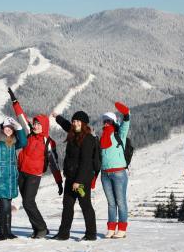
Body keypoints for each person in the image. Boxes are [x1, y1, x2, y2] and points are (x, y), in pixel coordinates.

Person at [8, 88, 64, 239]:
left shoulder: (48, 142)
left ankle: (42, 229)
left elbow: (54, 164)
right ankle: (38, 229)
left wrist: (59, 182)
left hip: (34, 175)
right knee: (27, 203)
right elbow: (21, 116)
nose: (35, 126)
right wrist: (15, 101)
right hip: (22, 172)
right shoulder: (28, 133)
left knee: (28, 201)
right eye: (35, 123)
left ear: (44, 126)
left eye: (39, 124)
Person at [50, 110, 98, 241]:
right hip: (71, 177)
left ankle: (91, 234)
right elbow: (67, 125)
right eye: (74, 121)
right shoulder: (73, 134)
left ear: (83, 123)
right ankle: (63, 233)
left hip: (81, 179)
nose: (75, 123)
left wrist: (79, 181)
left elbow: (86, 162)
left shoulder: (88, 139)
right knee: (67, 205)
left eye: (77, 121)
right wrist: (57, 117)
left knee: (85, 205)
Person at [0, 117, 27, 240]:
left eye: (10, 128)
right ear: (2, 129)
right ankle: (1, 232)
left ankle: (8, 232)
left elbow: (24, 142)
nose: (8, 130)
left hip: (10, 177)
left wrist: (19, 128)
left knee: (8, 205)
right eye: (6, 128)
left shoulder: (12, 141)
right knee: (5, 206)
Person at [100, 102, 131, 238]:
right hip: (105, 173)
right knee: (111, 203)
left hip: (118, 172)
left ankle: (122, 228)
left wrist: (125, 112)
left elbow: (126, 121)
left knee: (120, 202)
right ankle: (111, 228)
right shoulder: (102, 137)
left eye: (108, 121)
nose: (106, 123)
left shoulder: (120, 134)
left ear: (113, 122)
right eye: (104, 121)